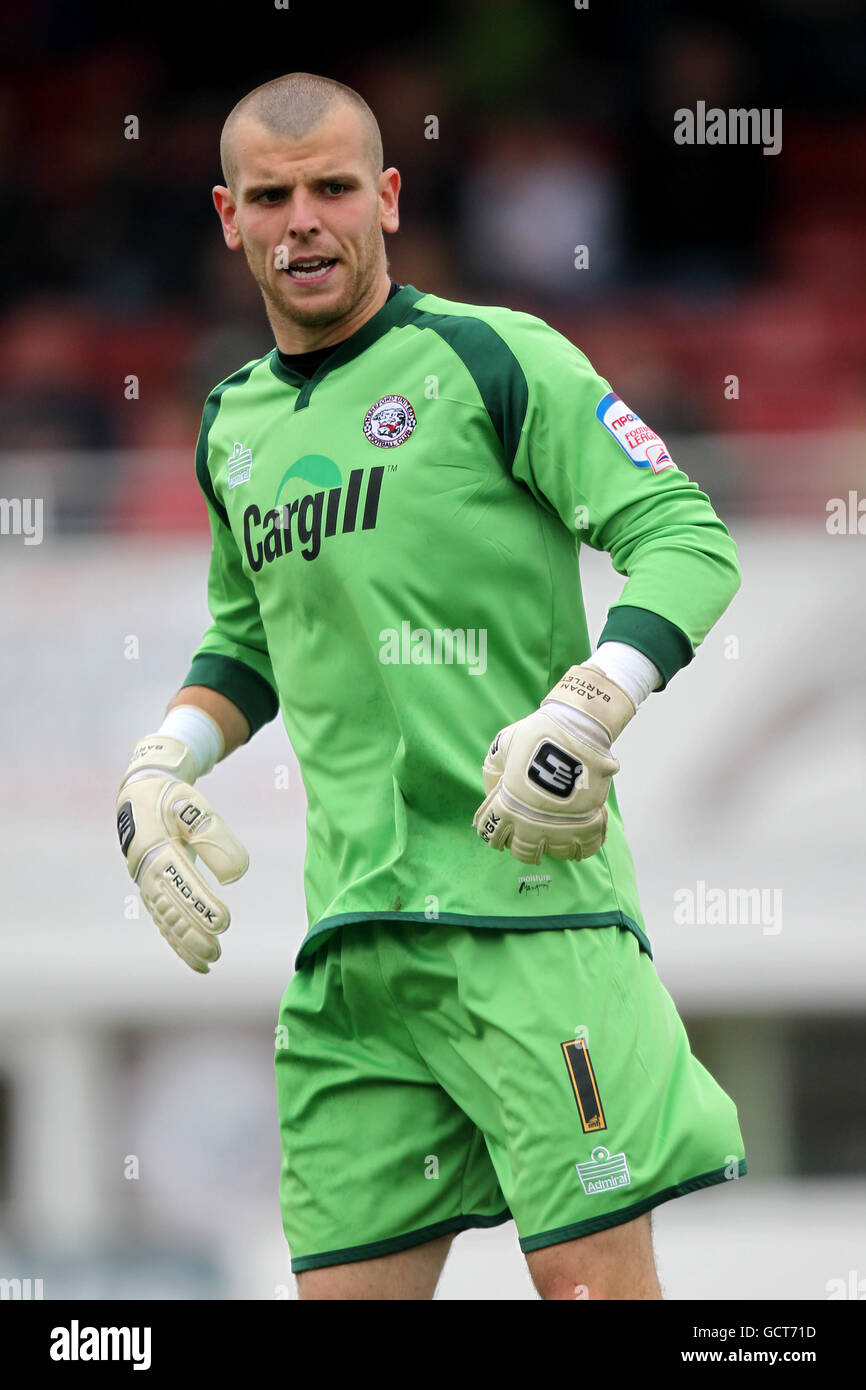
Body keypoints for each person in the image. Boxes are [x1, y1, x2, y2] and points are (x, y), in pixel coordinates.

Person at [115, 71, 747, 1301]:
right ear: (226, 217)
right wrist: (162, 762)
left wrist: (589, 703)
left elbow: (684, 536)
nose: (304, 219)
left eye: (334, 188)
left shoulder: (490, 357)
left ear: (388, 198)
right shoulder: (232, 427)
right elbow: (247, 642)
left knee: (591, 1295)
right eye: (271, 195)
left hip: (528, 921)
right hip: (353, 951)